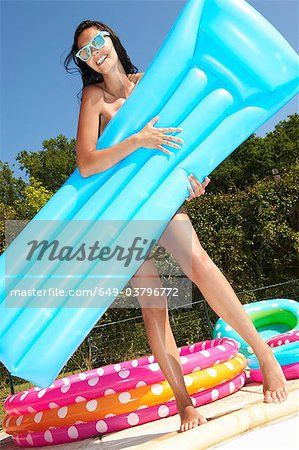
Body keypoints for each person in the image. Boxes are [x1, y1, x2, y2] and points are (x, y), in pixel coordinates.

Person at [64, 20, 288, 433]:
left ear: (113, 38)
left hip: (161, 200)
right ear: (83, 61)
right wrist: (136, 140)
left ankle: (266, 356)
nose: (95, 51)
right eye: (85, 50)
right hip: (121, 210)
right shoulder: (94, 97)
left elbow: (191, 135)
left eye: (99, 40)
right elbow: (86, 162)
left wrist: (199, 177)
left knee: (199, 264)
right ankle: (184, 404)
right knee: (155, 307)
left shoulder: (150, 81)